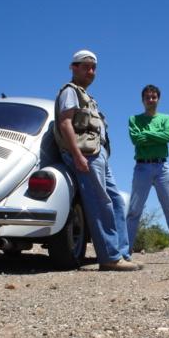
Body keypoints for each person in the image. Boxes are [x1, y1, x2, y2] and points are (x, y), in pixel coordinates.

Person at [53, 50, 139, 271]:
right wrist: (77, 155)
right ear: (73, 67)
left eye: (93, 67)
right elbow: (65, 124)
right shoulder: (70, 92)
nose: (90, 71)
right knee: (101, 203)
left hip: (98, 154)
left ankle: (121, 253)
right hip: (86, 155)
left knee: (117, 202)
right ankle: (109, 257)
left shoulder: (87, 96)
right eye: (85, 66)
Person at [126, 84, 169, 264]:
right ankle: (125, 252)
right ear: (143, 100)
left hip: (162, 167)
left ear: (158, 99)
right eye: (147, 97)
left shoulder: (166, 118)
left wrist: (147, 134)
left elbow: (168, 137)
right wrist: (156, 136)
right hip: (142, 168)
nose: (151, 100)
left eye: (154, 97)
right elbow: (136, 139)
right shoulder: (134, 119)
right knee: (134, 211)